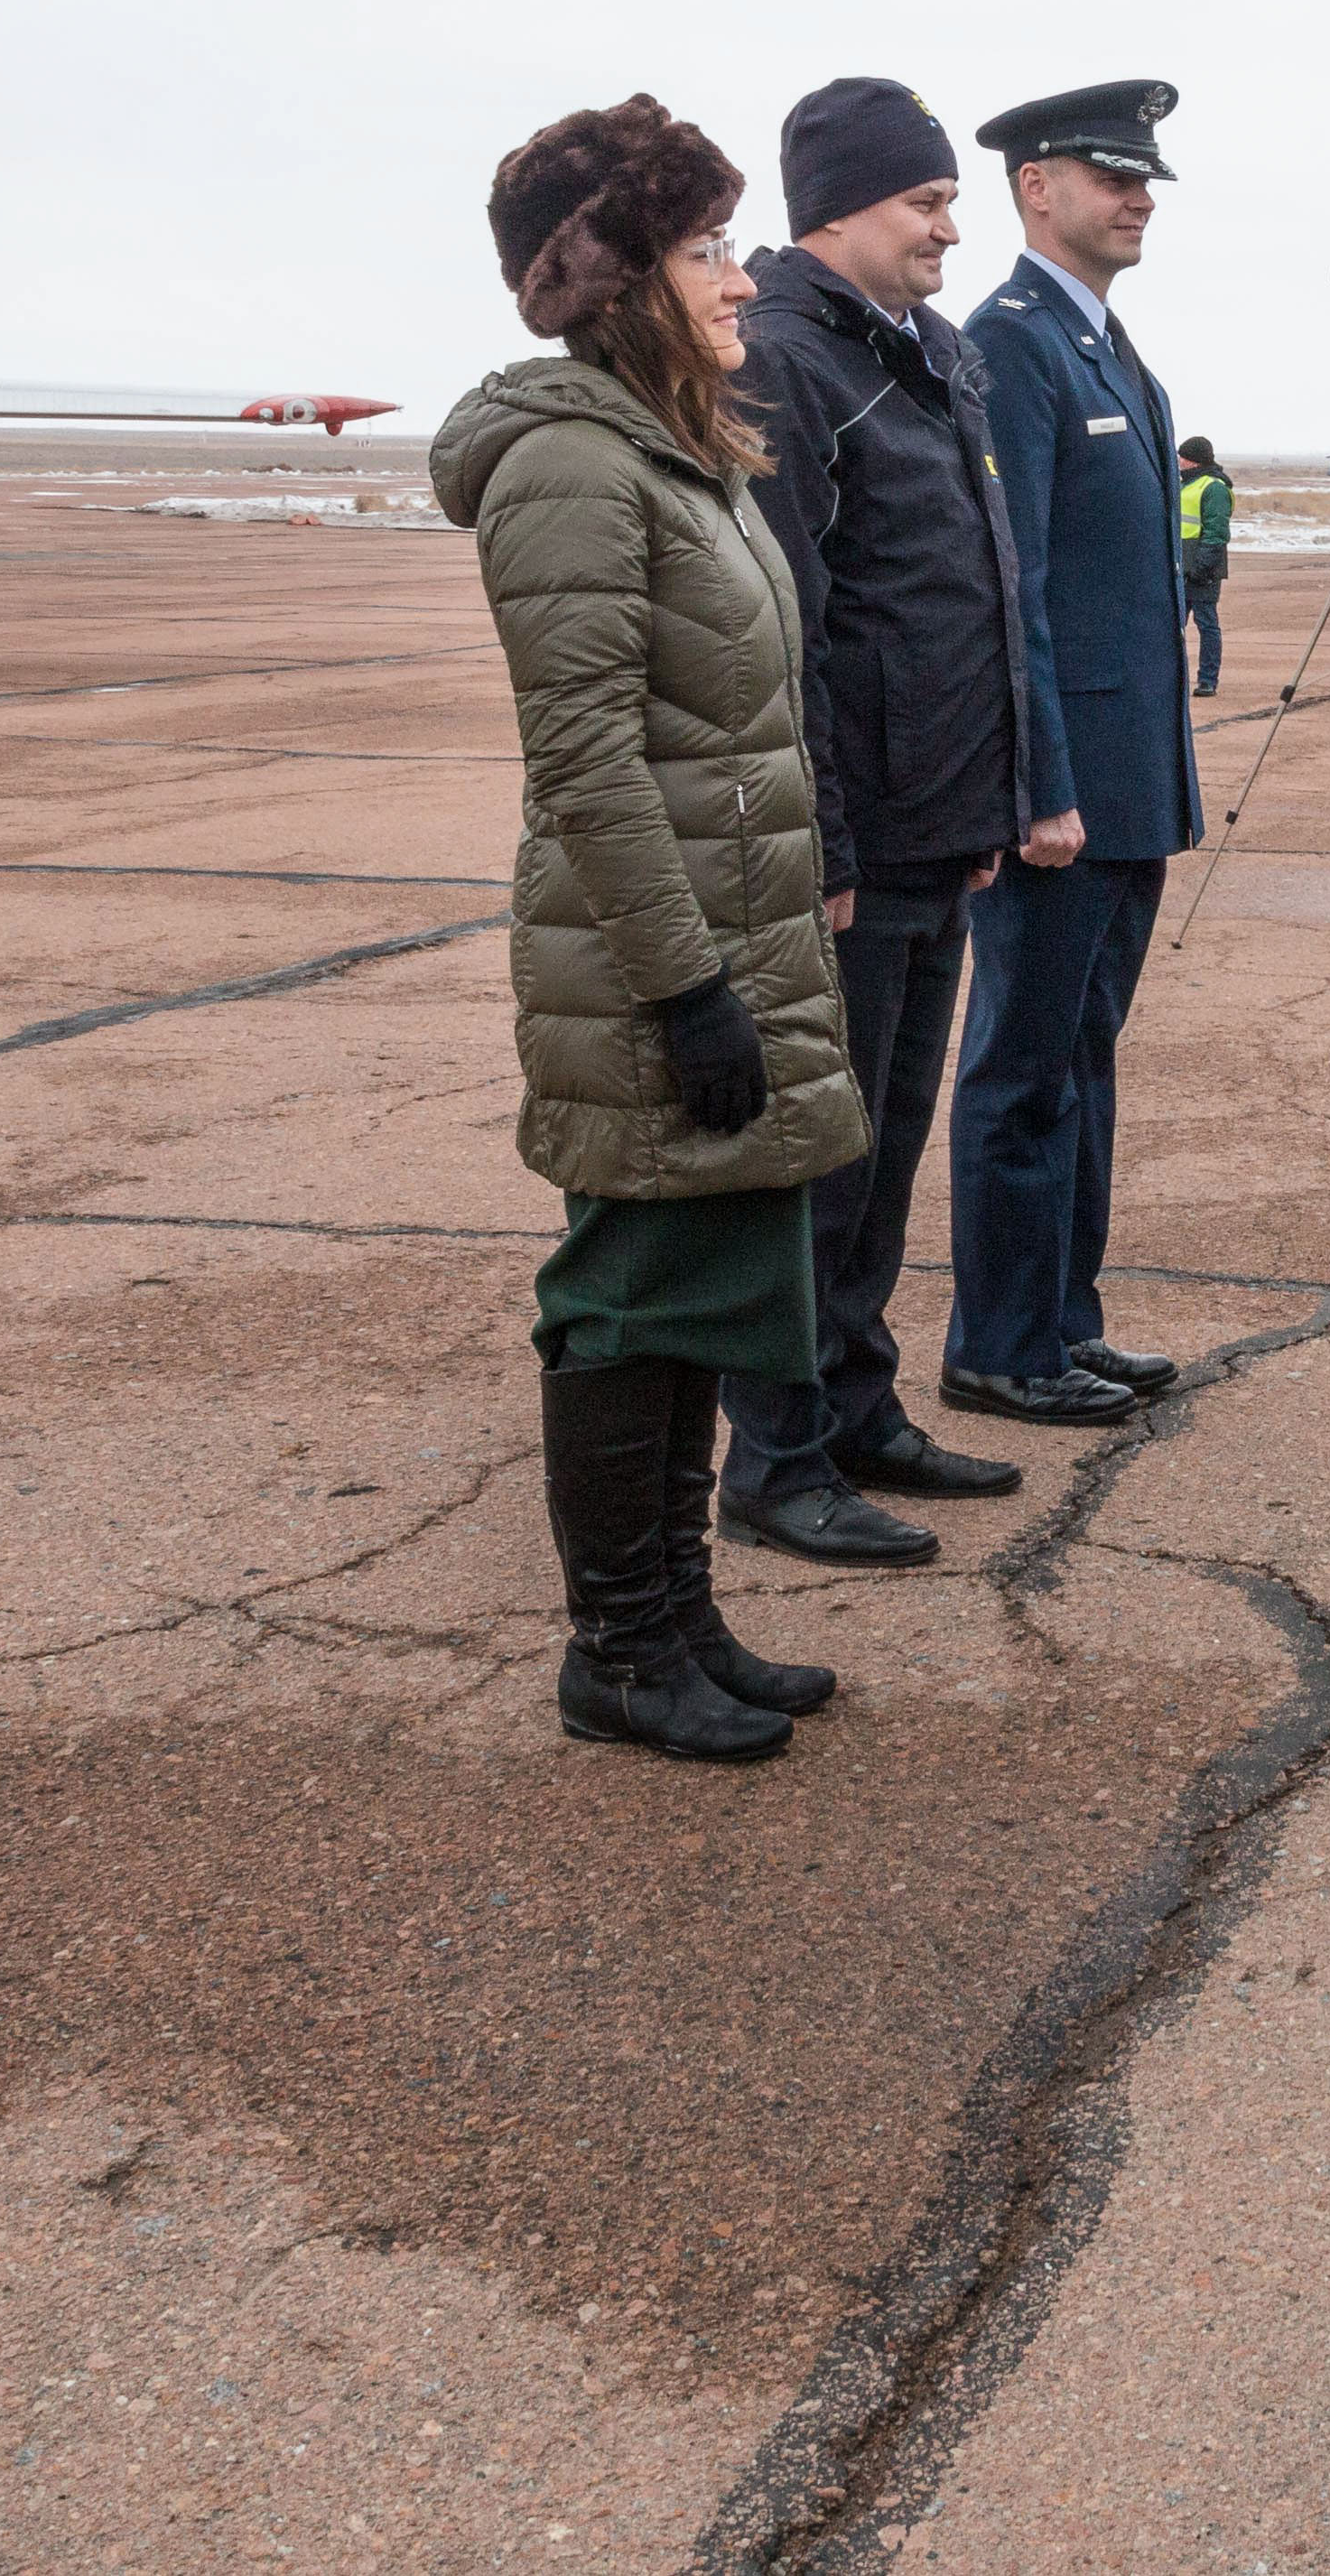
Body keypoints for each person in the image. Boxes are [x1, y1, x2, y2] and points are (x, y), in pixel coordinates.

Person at [432, 91, 870, 1765]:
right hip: (645, 953)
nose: (740, 275)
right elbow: (589, 754)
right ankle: (618, 1644)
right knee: (628, 1292)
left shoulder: (677, 444)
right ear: (614, 275)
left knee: (702, 1283)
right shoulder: (565, 460)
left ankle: (680, 1614)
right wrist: (688, 986)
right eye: (703, 247)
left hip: (726, 927)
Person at [720, 74, 1037, 1571]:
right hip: (854, 854)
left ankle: (858, 1406)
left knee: (890, 1142)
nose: (950, 230)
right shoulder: (782, 362)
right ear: (836, 209)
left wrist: (996, 796)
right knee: (823, 1160)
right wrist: (827, 849)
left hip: (942, 825)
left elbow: (972, 592)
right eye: (926, 203)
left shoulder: (932, 357)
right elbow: (792, 630)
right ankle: (776, 1454)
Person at [945, 79, 1202, 1428]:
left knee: (1081, 1064)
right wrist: (1036, 782)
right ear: (1035, 186)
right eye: (1112, 174)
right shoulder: (1012, 346)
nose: (1138, 196)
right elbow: (1014, 592)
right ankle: (995, 1341)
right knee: (1022, 1068)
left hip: (1125, 781)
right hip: (1062, 795)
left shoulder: (1107, 349)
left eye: (1144, 176)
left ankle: (1061, 1319)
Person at [1172, 432, 1231, 696]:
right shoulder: (1185, 485)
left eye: (1183, 457)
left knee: (1207, 624)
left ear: (1193, 461)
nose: (1179, 461)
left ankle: (1207, 680)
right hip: (1181, 567)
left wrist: (1202, 567)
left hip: (1202, 570)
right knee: (1174, 626)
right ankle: (1175, 679)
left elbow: (1216, 531)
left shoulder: (1214, 487)